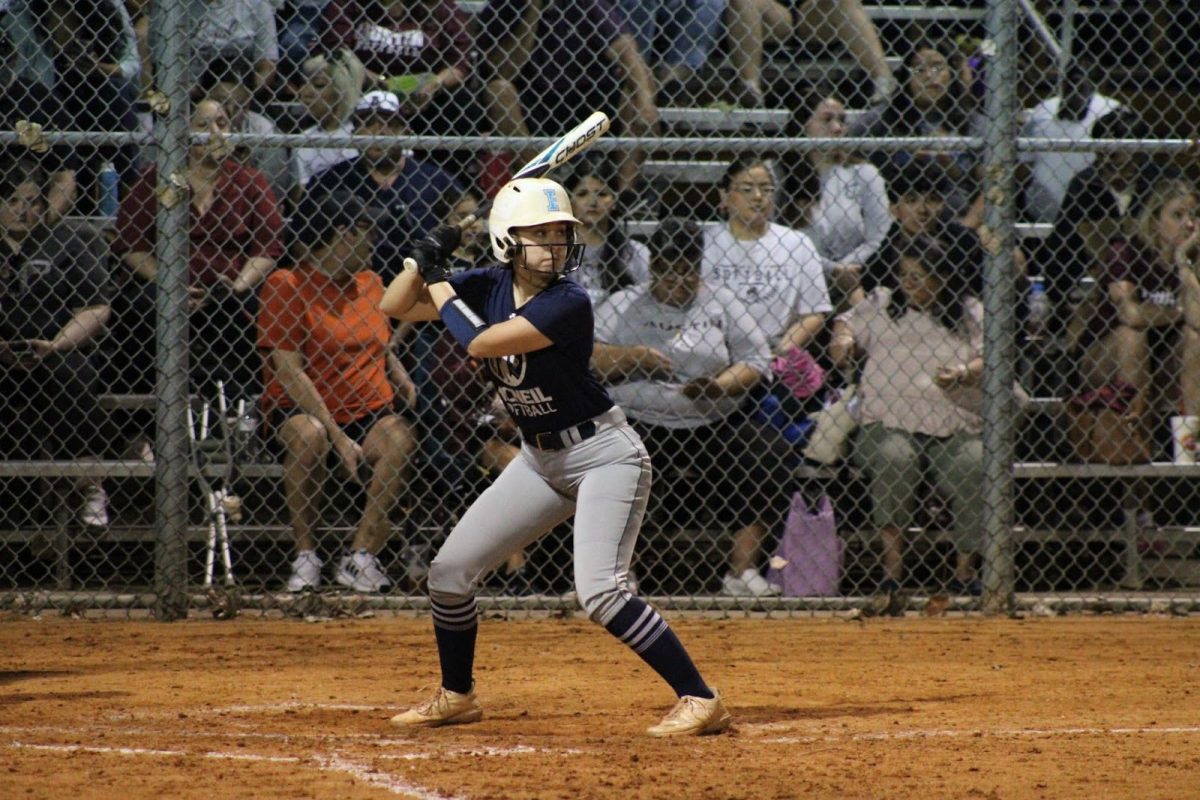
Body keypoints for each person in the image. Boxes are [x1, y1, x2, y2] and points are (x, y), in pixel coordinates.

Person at [380, 177, 730, 737]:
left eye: (560, 234)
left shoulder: (569, 301)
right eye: (538, 235)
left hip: (603, 455)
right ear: (506, 241)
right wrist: (419, 259)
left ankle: (700, 697)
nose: (554, 245)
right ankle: (457, 694)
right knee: (448, 573)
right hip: (539, 460)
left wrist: (440, 278)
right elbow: (393, 304)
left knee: (601, 591)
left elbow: (482, 343)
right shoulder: (488, 282)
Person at [593, 218, 793, 597]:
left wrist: (719, 386)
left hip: (713, 419)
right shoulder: (624, 303)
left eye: (687, 271)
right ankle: (619, 575)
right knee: (608, 460)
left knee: (768, 453)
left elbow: (756, 359)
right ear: (654, 269)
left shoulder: (722, 300)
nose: (679, 281)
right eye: (668, 271)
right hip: (640, 420)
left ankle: (742, 571)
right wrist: (633, 357)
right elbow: (589, 357)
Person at [258, 191, 417, 593]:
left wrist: (398, 375)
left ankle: (360, 556)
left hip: (367, 408)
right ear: (342, 234)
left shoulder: (371, 282)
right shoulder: (287, 284)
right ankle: (306, 556)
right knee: (308, 434)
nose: (373, 242)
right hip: (302, 409)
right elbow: (289, 371)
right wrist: (338, 436)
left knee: (398, 435)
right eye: (366, 232)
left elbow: (379, 342)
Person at [830, 235, 985, 596]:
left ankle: (965, 573)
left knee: (975, 463)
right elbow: (845, 324)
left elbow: (990, 355)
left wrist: (963, 371)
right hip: (889, 422)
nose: (908, 284)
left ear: (943, 277)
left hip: (953, 421)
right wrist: (843, 343)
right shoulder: (884, 303)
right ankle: (892, 572)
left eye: (920, 276)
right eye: (905, 275)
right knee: (892, 457)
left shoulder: (969, 312)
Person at [113, 98, 285, 402]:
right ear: (185, 133)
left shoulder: (248, 181)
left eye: (222, 123)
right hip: (168, 285)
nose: (215, 132)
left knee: (260, 306)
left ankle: (242, 408)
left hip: (231, 288)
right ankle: (143, 418)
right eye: (203, 125)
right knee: (138, 308)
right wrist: (168, 283)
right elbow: (131, 244)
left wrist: (236, 286)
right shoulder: (163, 177)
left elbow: (267, 247)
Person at [0, 158, 112, 527]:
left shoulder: (67, 240)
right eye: (13, 200)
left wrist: (57, 344)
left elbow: (96, 308)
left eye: (33, 201)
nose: (23, 210)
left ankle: (87, 483)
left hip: (54, 349)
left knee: (74, 373)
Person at [1068, 179, 1200, 447]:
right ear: (1154, 221)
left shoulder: (1192, 260)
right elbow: (1130, 315)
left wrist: (1183, 264)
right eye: (1177, 215)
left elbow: (1196, 321)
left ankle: (1191, 444)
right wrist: (1178, 311)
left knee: (1195, 339)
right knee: (1133, 336)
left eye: (1194, 216)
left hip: (1162, 358)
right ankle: (1135, 439)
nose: (1188, 224)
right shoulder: (1125, 251)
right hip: (1105, 354)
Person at [476, 0, 659, 193]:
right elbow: (504, 70)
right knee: (498, 90)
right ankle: (544, 183)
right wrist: (532, 12)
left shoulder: (586, 4)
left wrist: (646, 103)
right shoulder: (503, 7)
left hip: (587, 98)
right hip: (533, 102)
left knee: (640, 84)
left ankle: (624, 199)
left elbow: (626, 50)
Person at [304, 90, 461, 282]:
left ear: (406, 132)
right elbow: (302, 242)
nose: (379, 132)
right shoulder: (330, 181)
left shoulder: (437, 181)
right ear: (354, 134)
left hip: (422, 283)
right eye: (368, 124)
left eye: (390, 124)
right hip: (348, 286)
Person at [702, 156, 831, 357]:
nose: (757, 196)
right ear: (724, 196)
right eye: (746, 189)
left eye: (766, 189)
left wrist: (781, 350)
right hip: (714, 348)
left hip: (774, 349)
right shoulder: (705, 243)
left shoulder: (796, 243)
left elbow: (814, 312)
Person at [778, 87, 890, 304]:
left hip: (857, 278)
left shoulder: (864, 173)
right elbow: (773, 240)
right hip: (795, 281)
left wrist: (846, 270)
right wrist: (832, 270)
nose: (838, 128)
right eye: (827, 120)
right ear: (803, 125)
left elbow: (879, 236)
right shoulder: (781, 174)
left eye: (842, 120)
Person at [850, 39, 979, 217]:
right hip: (895, 216)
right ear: (907, 78)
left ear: (951, 74)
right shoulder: (883, 118)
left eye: (938, 67)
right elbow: (847, 154)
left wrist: (949, 166)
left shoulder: (972, 121)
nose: (929, 75)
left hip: (957, 215)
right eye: (919, 69)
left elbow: (986, 184)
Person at [724, 0, 894, 108]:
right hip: (773, 13)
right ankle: (750, 85)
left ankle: (883, 79)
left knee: (844, 1)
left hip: (813, 13)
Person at [1019, 58, 1123, 224]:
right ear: (1103, 83)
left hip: (1041, 209)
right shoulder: (1114, 109)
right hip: (1091, 215)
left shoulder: (1042, 108)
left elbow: (1023, 167)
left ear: (1063, 82)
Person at [198, 54, 292, 203]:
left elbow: (272, 195)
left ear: (249, 104)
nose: (229, 111)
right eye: (221, 102)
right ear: (204, 97)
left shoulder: (265, 131)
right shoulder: (186, 125)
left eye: (239, 105)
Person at [564, 161, 650, 307]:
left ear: (614, 201)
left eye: (602, 194)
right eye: (582, 194)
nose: (592, 202)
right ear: (570, 202)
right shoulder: (554, 251)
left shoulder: (636, 253)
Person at [616, 0, 726, 106]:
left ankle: (671, 83)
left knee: (711, 1)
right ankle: (637, 76)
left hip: (677, 11)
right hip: (630, 11)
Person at [288, 48, 365, 197]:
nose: (305, 93)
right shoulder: (303, 141)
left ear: (343, 91)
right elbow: (301, 201)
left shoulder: (364, 133)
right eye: (304, 83)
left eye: (318, 85)